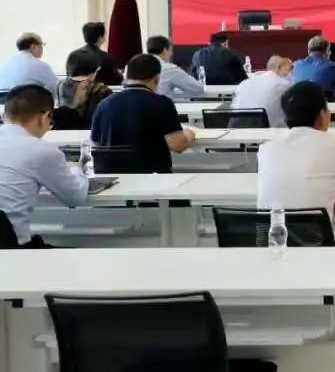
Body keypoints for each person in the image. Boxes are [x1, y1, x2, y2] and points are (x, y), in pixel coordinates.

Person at [257, 81, 335, 233]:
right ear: (322, 114)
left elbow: (289, 187)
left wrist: (330, 195)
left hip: (269, 243)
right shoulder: (334, 144)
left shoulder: (266, 148)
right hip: (316, 245)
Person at [0, 85, 88, 247]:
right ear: (45, 117)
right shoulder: (41, 150)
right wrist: (77, 169)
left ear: (4, 115)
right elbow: (75, 197)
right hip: (11, 247)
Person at [91, 54, 196, 173]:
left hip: (113, 177)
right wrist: (189, 134)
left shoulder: (104, 104)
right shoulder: (162, 103)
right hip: (152, 175)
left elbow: (96, 143)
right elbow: (178, 146)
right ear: (156, 78)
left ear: (126, 76)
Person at [54, 48, 112, 130]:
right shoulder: (101, 91)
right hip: (90, 133)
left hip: (61, 133)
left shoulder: (61, 85)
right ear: (93, 72)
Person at [292, 35, 335, 100]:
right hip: (323, 107)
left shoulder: (295, 65)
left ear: (308, 51)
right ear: (327, 51)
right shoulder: (333, 67)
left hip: (297, 107)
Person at [231, 56, 294, 127]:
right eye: (288, 70)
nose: (289, 74)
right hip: (268, 130)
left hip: (236, 128)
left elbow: (233, 108)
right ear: (279, 68)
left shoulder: (244, 83)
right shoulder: (284, 85)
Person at [147, 35, 205, 100]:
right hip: (160, 105)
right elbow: (197, 88)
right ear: (164, 50)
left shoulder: (140, 65)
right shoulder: (170, 69)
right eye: (170, 50)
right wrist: (174, 94)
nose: (171, 54)